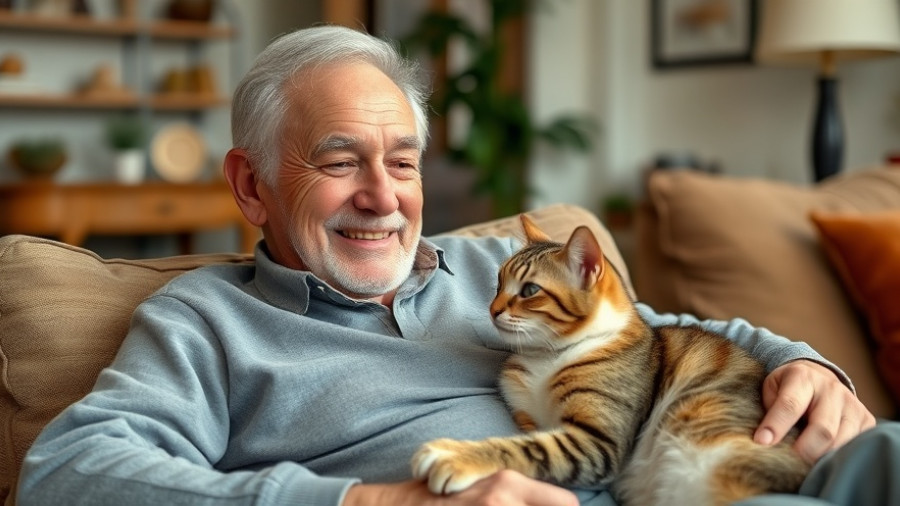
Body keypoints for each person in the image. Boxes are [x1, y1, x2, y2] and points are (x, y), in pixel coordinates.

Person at [17, 25, 895, 506]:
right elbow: (69, 472)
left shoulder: (494, 269)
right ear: (251, 187)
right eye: (337, 161)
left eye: (401, 162)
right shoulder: (207, 320)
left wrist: (806, 366)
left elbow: (665, 341)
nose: (382, 196)